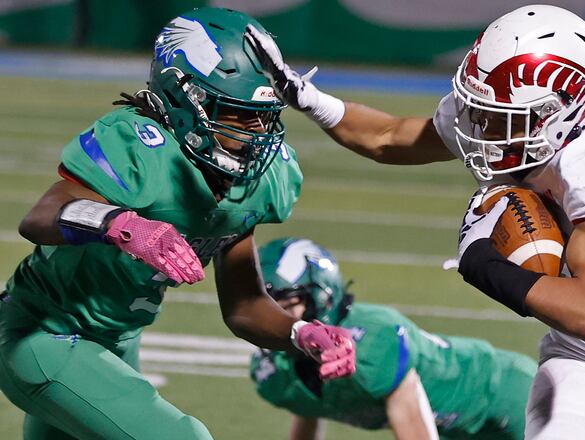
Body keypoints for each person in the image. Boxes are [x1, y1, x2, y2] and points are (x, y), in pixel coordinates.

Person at [245, 4, 585, 439]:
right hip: (584, 364)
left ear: (557, 112)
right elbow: (390, 136)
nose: (481, 127)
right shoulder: (512, 126)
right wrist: (311, 100)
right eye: (480, 109)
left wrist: (482, 264)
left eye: (499, 116)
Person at [0, 8, 355, 440]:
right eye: (237, 113)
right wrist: (119, 224)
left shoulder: (253, 182)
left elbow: (244, 306)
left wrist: (300, 332)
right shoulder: (140, 146)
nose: (257, 131)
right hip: (45, 334)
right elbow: (40, 217)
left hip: (118, 342)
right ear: (187, 100)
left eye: (264, 115)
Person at [249, 237, 537, 440]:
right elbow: (308, 404)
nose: (276, 318)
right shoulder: (277, 371)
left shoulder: (371, 339)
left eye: (286, 306)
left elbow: (413, 424)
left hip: (505, 395)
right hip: (456, 429)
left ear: (321, 296)